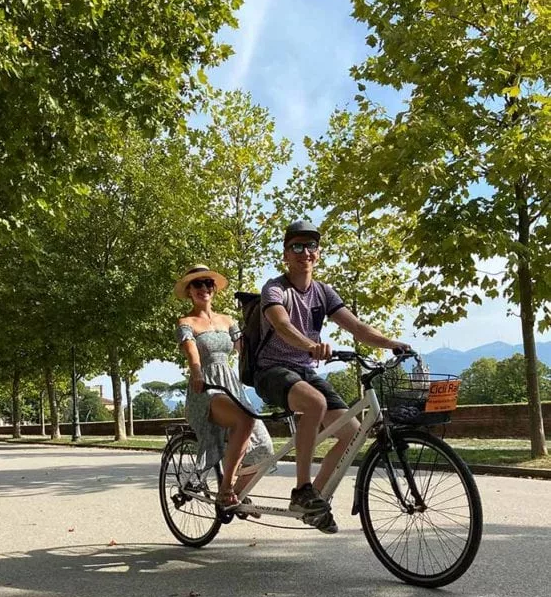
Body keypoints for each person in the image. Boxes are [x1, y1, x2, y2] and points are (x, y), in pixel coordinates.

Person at [254, 220, 411, 533]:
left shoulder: (323, 292)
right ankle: (302, 490)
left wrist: (392, 343)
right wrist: (312, 346)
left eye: (311, 246)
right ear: (286, 254)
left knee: (353, 432)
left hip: (305, 370)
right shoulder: (275, 288)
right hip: (271, 370)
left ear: (318, 254)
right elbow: (283, 326)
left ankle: (316, 499)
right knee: (314, 404)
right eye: (296, 246)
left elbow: (357, 327)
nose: (305, 252)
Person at [175, 265, 274, 509]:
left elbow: (243, 351)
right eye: (197, 284)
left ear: (214, 289)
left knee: (264, 446)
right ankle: (226, 488)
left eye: (208, 283)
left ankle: (235, 497)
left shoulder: (227, 320)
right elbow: (191, 350)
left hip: (232, 384)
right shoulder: (186, 322)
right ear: (189, 291)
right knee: (244, 420)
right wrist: (197, 371)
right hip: (206, 387)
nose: (204, 288)